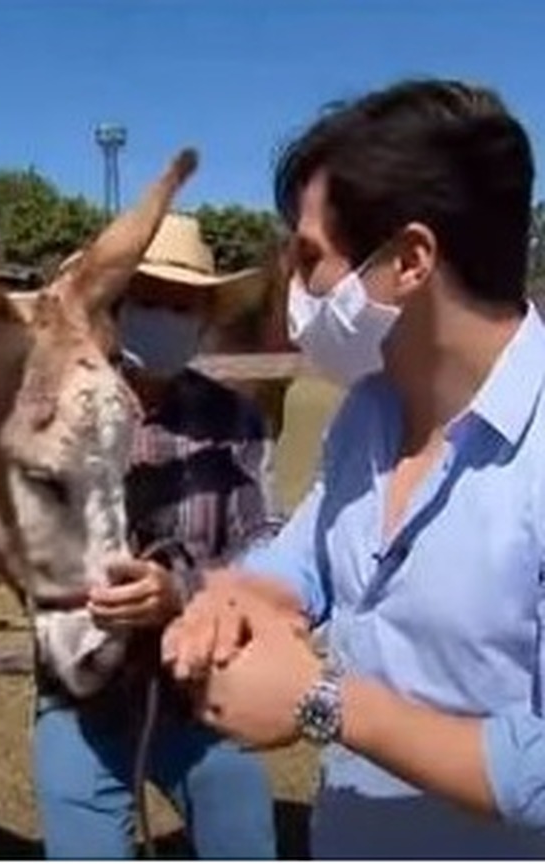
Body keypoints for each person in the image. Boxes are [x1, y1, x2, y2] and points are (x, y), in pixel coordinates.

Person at [162, 78, 545, 857]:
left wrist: (322, 705)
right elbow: (307, 559)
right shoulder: (368, 413)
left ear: (409, 260)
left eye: (310, 260)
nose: (295, 292)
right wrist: (235, 597)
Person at [31, 212, 280, 859]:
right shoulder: (57, 414)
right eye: (148, 300)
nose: (166, 315)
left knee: (244, 828)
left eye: (183, 304)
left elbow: (264, 543)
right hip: (80, 702)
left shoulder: (235, 420)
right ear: (115, 305)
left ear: (203, 319)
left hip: (195, 693)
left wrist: (185, 591)